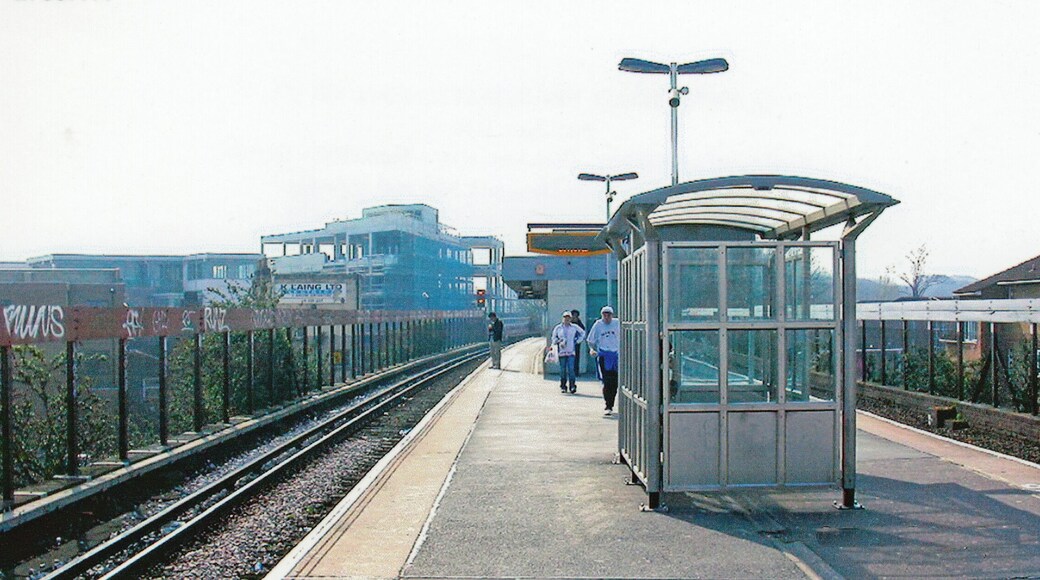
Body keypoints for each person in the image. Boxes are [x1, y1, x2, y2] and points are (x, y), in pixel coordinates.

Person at [587, 305, 620, 415]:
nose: (607, 317)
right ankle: (608, 405)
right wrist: (592, 349)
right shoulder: (598, 325)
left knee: (614, 383)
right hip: (603, 356)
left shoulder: (617, 323)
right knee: (606, 382)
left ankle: (612, 402)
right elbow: (590, 340)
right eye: (604, 315)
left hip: (615, 356)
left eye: (608, 314)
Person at [551, 310, 585, 394]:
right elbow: (553, 338)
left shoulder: (574, 327)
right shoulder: (558, 328)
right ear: (562, 318)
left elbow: (583, 333)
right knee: (562, 369)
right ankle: (563, 386)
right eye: (565, 317)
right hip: (562, 352)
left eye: (568, 318)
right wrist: (558, 341)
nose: (567, 319)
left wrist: (577, 341)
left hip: (571, 351)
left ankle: (572, 386)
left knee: (571, 369)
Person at [569, 309, 585, 376]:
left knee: (576, 357)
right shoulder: (569, 323)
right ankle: (570, 372)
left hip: (576, 343)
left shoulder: (579, 323)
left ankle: (576, 372)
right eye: (573, 315)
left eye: (576, 315)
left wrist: (578, 339)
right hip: (568, 344)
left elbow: (583, 330)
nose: (574, 317)